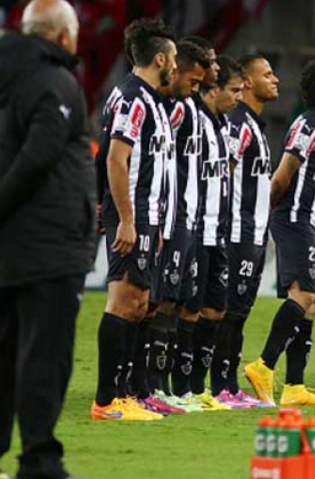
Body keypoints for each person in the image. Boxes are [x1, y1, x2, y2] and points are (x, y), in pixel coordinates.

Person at [0, 0, 94, 479]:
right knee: (43, 359)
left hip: (0, 248)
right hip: (48, 244)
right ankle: (40, 459)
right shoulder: (56, 81)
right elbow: (39, 156)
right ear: (64, 35)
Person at [244, 58, 315, 406]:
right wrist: (270, 216)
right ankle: (263, 365)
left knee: (311, 304)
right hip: (294, 219)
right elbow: (282, 174)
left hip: (311, 223)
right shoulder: (309, 125)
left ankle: (293, 386)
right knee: (302, 297)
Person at [92, 17, 177, 421]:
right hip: (133, 213)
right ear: (159, 57)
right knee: (124, 301)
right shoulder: (132, 98)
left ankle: (129, 394)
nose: (175, 66)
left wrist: (154, 223)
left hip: (146, 216)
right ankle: (107, 400)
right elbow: (114, 158)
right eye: (173, 58)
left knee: (141, 303)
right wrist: (125, 219)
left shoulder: (150, 100)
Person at [138, 39, 209, 414]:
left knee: (175, 298)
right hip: (172, 215)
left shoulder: (189, 108)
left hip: (188, 217)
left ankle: (159, 384)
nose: (196, 86)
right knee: (161, 299)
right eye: (194, 80)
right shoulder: (173, 110)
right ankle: (148, 383)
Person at [175, 58, 243, 410]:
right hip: (196, 227)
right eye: (233, 91)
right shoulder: (192, 119)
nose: (237, 98)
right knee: (188, 307)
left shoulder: (223, 125)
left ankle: (198, 388)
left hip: (219, 229)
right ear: (212, 90)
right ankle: (179, 387)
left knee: (215, 308)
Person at [216, 54, 279, 408]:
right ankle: (220, 385)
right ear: (249, 82)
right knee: (229, 311)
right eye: (267, 74)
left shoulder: (254, 124)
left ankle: (228, 384)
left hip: (253, 233)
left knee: (239, 311)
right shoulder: (239, 124)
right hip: (237, 232)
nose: (276, 79)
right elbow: (224, 174)